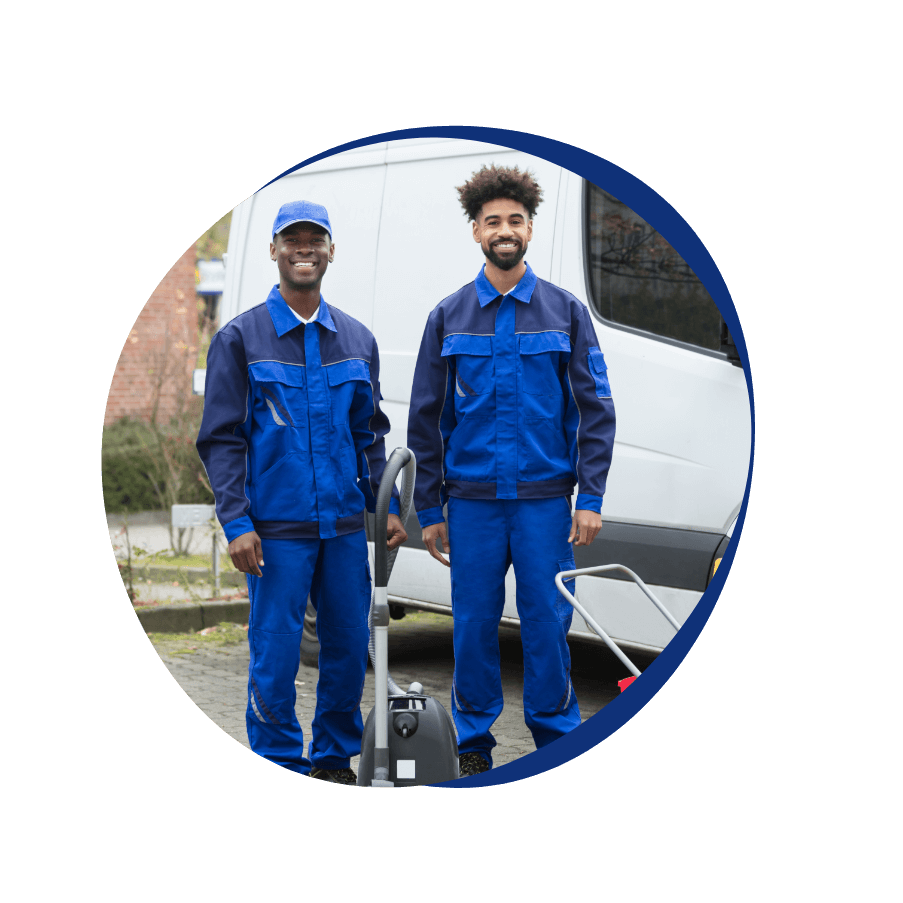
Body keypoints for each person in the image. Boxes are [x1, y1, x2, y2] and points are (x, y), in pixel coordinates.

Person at [406, 165, 616, 777]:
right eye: (492, 221)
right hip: (470, 505)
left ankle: (556, 738)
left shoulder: (565, 312)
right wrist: (429, 509)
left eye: (515, 221)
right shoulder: (448, 316)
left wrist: (591, 496)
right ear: (476, 232)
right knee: (471, 628)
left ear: (529, 229)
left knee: (548, 626)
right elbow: (426, 419)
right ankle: (472, 746)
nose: (505, 230)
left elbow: (594, 411)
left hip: (545, 504)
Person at [197, 200, 407, 783]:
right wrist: (237, 523)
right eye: (293, 239)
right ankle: (279, 758)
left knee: (345, 651)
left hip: (342, 529)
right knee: (276, 654)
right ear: (274, 250)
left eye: (316, 239)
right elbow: (221, 441)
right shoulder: (241, 339)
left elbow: (369, 435)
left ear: (331, 250)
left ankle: (332, 761)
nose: (304, 248)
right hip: (275, 532)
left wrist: (383, 508)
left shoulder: (357, 340)